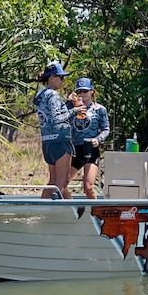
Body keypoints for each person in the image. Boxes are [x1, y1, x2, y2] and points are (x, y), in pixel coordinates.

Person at [33, 61, 86, 199]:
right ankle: (69, 214)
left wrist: (67, 104)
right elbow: (57, 119)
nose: (63, 80)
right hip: (60, 141)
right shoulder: (54, 95)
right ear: (52, 78)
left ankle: (43, 212)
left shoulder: (41, 94)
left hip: (47, 142)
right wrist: (75, 110)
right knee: (62, 182)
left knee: (53, 182)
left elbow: (51, 115)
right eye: (61, 77)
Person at [66, 78, 110, 199]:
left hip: (91, 149)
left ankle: (95, 213)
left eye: (84, 91)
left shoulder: (99, 109)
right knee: (62, 183)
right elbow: (61, 118)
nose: (82, 95)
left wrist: (98, 139)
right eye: (79, 92)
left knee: (88, 186)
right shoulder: (73, 109)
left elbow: (106, 129)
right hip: (76, 149)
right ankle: (74, 209)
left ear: (92, 92)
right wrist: (69, 103)